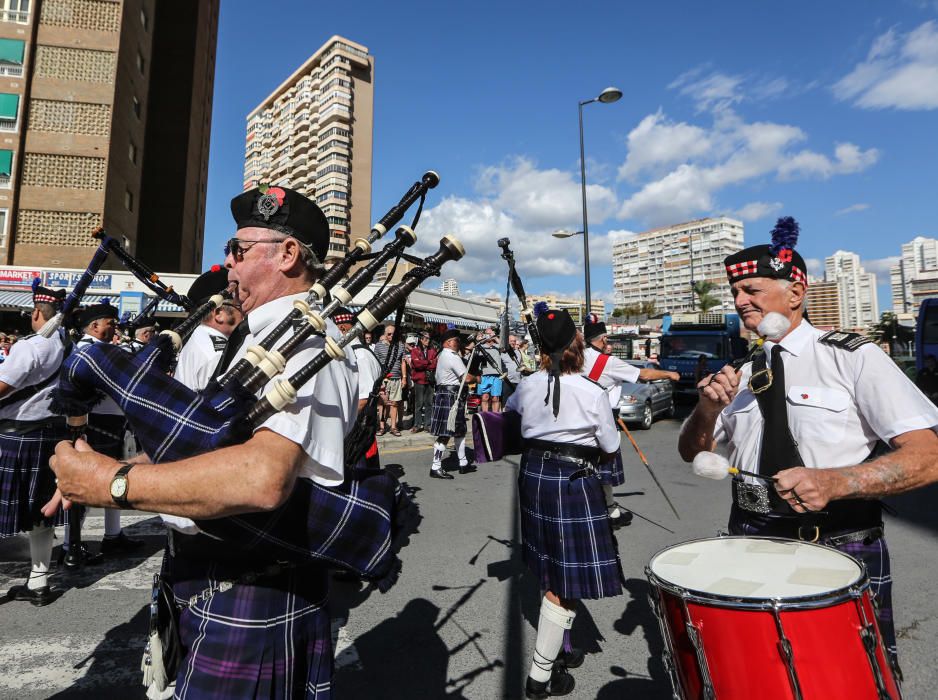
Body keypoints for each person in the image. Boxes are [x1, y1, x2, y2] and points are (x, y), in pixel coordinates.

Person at [49, 184, 358, 697]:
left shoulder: (301, 340)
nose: (228, 262)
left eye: (239, 249)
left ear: (287, 255)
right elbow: (215, 443)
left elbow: (262, 478)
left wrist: (115, 484)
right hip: (211, 575)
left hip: (253, 586)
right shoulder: (261, 333)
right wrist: (120, 465)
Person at [677, 216, 938, 674]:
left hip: (838, 544)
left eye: (752, 290)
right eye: (736, 293)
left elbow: (928, 455)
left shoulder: (852, 357)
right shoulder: (740, 372)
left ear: (795, 294)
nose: (739, 301)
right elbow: (691, 452)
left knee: (849, 674)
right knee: (759, 674)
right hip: (749, 540)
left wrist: (838, 480)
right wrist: (706, 410)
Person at [505, 309, 624, 699]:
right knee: (563, 578)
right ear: (576, 342)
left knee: (550, 568)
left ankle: (562, 650)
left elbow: (510, 420)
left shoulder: (526, 385)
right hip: (573, 482)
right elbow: (610, 447)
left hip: (533, 477)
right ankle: (541, 676)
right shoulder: (591, 391)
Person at [0, 282, 70, 605]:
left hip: (16, 436)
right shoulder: (66, 345)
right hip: (50, 436)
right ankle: (39, 582)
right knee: (40, 510)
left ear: (37, 312)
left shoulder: (29, 347)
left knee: (11, 508)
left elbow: (3, 386)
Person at [581, 313, 678, 528]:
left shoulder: (577, 357)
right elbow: (643, 374)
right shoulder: (609, 362)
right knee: (602, 471)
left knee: (587, 468)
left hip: (581, 420)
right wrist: (670, 375)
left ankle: (609, 510)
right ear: (604, 339)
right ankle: (605, 513)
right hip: (604, 421)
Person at [68, 300, 143, 564]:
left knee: (116, 476)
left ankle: (112, 535)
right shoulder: (88, 351)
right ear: (95, 325)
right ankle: (71, 544)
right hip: (95, 423)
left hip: (112, 422)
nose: (114, 328)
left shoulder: (102, 349)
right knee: (87, 484)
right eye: (110, 323)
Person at [173, 265, 243, 391]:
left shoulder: (197, 340)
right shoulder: (218, 354)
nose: (245, 313)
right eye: (239, 307)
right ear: (219, 314)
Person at [429, 329, 477, 479]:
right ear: (449, 342)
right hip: (451, 397)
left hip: (450, 395)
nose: (459, 343)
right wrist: (479, 378)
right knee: (446, 433)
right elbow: (467, 378)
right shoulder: (451, 356)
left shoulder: (445, 355)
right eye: (457, 340)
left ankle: (463, 463)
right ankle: (435, 467)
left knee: (459, 430)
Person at [374, 324, 406, 436]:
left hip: (397, 378)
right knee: (381, 403)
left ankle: (393, 426)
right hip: (383, 379)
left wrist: (404, 378)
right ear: (385, 334)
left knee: (395, 403)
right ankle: (382, 427)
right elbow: (376, 363)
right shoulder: (378, 346)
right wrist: (378, 380)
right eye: (389, 334)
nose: (391, 336)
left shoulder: (401, 346)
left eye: (393, 333)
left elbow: (403, 362)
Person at [410, 331, 437, 432]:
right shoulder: (415, 350)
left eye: (429, 339)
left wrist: (425, 363)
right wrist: (428, 362)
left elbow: (434, 364)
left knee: (429, 404)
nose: (427, 341)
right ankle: (417, 425)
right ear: (421, 339)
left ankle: (427, 425)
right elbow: (417, 365)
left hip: (429, 380)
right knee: (419, 404)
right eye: (425, 339)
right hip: (419, 380)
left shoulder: (432, 350)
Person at [475, 328, 503, 412]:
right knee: (485, 397)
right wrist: (477, 340)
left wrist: (495, 337)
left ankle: (495, 417)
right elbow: (473, 351)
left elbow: (505, 348)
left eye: (490, 333)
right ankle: (485, 417)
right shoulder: (480, 346)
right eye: (487, 333)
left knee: (495, 398)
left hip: (497, 375)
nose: (489, 335)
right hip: (484, 375)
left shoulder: (497, 346)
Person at [500, 334, 524, 404]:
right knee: (506, 401)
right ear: (507, 341)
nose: (513, 342)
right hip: (507, 381)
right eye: (511, 341)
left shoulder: (518, 352)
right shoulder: (502, 352)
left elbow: (520, 364)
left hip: (517, 381)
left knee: (516, 402)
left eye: (514, 341)